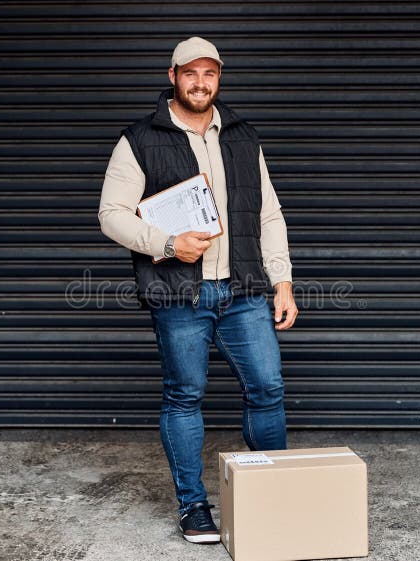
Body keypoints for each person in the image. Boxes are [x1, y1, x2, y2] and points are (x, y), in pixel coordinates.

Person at [98, 36, 298, 544]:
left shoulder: (242, 135)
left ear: (219, 79)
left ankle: (272, 493)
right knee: (184, 396)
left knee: (268, 388)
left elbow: (268, 214)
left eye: (209, 74)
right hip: (179, 295)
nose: (200, 83)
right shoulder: (140, 138)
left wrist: (283, 281)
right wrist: (166, 244)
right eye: (191, 73)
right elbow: (111, 216)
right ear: (173, 76)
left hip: (244, 289)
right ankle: (193, 508)